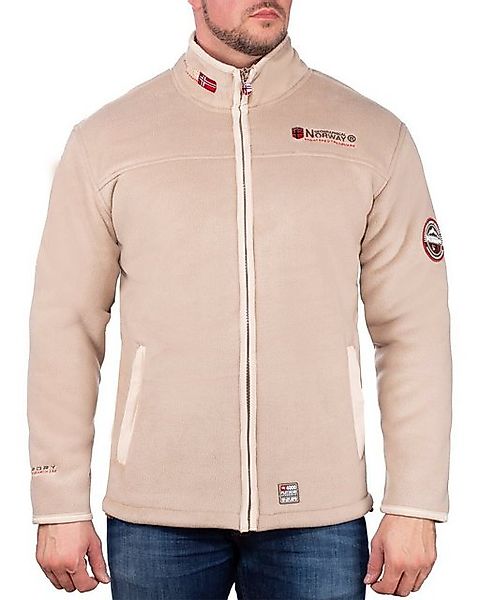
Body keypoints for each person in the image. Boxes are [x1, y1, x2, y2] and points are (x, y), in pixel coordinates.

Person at [27, 1, 452, 598]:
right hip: (156, 514)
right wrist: (58, 502)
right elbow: (65, 327)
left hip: (320, 516)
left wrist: (415, 501)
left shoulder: (373, 137)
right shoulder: (108, 141)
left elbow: (414, 329)